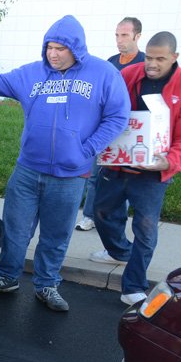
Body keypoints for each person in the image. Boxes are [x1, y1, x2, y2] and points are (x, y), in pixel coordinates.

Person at [0, 14, 130, 312]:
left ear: (76, 49)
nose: (53, 54)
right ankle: (6, 276)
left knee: (56, 235)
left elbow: (118, 115)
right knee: (16, 229)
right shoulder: (32, 75)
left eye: (60, 49)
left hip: (70, 175)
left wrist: (88, 148)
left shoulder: (103, 73)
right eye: (49, 47)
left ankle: (47, 284)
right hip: (28, 170)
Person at [90, 31, 181, 306]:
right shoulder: (129, 74)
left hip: (153, 173)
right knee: (101, 213)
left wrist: (169, 160)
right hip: (117, 164)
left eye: (160, 59)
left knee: (145, 230)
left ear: (174, 57)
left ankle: (133, 284)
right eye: (150, 57)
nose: (152, 64)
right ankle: (120, 251)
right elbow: (107, 109)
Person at [77, 17, 146, 231]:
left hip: (131, 129)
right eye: (117, 35)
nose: (119, 40)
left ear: (137, 36)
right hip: (105, 127)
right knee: (96, 174)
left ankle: (114, 222)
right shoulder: (111, 62)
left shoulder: (144, 63)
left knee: (122, 178)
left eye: (124, 35)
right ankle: (90, 216)